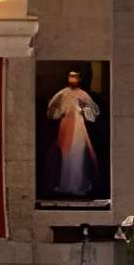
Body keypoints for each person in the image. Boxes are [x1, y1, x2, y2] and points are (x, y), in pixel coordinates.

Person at [46, 67, 103, 200]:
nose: (73, 79)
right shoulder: (62, 94)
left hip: (78, 128)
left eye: (76, 77)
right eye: (71, 76)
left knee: (79, 155)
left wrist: (84, 108)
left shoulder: (83, 95)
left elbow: (93, 114)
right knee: (65, 156)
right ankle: (65, 186)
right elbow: (53, 112)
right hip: (66, 127)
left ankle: (79, 185)